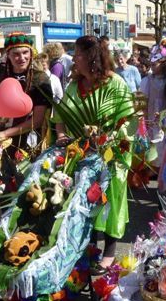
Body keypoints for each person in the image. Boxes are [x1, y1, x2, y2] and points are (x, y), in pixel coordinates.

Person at [53, 35, 135, 273]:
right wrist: (60, 135)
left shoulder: (115, 83)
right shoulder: (72, 87)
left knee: (109, 199)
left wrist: (110, 138)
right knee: (83, 199)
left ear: (92, 58)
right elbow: (60, 118)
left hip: (112, 152)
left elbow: (129, 121)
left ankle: (109, 251)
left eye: (77, 54)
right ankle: (86, 247)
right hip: (81, 152)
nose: (73, 59)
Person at [0, 32, 53, 150]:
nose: (22, 58)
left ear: (31, 53)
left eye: (25, 52)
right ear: (8, 55)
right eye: (16, 54)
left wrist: (5, 133)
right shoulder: (2, 75)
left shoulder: (40, 79)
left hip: (27, 141)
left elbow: (37, 120)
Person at [140, 57, 166, 166]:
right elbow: (144, 98)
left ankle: (161, 164)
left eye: (154, 64)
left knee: (162, 137)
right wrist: (144, 114)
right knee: (152, 137)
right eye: (151, 64)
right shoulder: (148, 80)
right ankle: (152, 164)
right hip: (151, 112)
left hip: (164, 111)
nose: (152, 67)